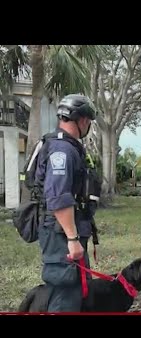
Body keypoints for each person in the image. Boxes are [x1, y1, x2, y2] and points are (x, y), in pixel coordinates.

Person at [33, 94, 100, 312]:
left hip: (66, 233)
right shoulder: (62, 150)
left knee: (74, 291)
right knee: (66, 294)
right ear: (82, 121)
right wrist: (72, 239)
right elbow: (58, 197)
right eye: (88, 121)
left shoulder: (67, 147)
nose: (88, 125)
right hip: (62, 235)